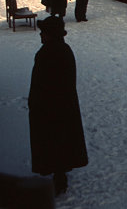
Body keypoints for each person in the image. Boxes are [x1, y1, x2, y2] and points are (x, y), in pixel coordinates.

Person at [28, 16, 88, 196]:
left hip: (49, 107)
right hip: (63, 106)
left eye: (43, 33)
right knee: (61, 142)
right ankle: (60, 172)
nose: (41, 36)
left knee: (52, 142)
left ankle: (57, 175)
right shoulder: (64, 50)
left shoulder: (47, 53)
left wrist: (36, 103)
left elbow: (40, 83)